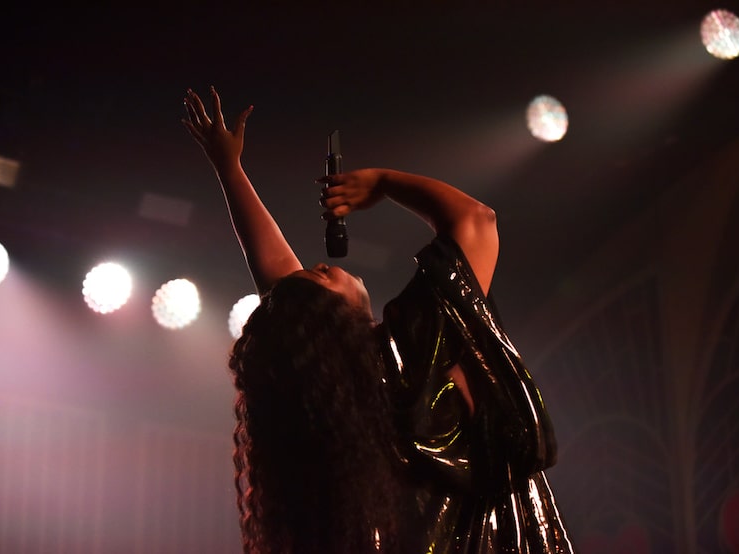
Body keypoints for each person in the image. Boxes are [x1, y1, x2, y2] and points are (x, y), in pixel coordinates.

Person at [182, 85, 574, 554]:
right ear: (329, 324)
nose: (314, 267)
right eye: (316, 279)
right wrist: (383, 183)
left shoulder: (339, 419)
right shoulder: (409, 357)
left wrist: (230, 170)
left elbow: (281, 290)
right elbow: (476, 221)